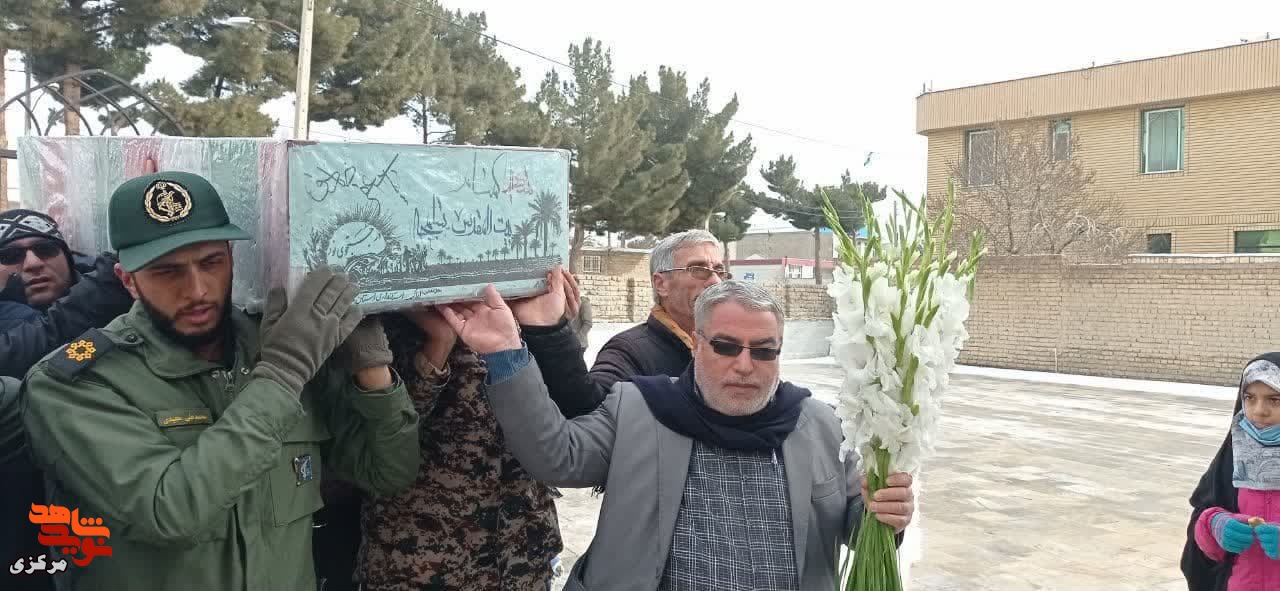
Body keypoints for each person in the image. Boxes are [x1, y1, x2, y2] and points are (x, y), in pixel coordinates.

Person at [20, 171, 421, 591]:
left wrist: (371, 368)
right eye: (167, 271)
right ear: (128, 281)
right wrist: (282, 374)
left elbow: (389, 472)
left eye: (211, 262)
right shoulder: (73, 384)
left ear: (231, 256)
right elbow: (169, 513)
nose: (197, 290)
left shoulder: (275, 342)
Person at [442, 280, 915, 590]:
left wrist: (886, 516)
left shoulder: (819, 424)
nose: (744, 365)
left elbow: (857, 525)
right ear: (696, 345)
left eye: (763, 351)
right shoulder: (640, 408)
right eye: (726, 347)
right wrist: (504, 349)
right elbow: (556, 457)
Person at [354, 268, 594, 590]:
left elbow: (566, 420)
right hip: (425, 558)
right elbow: (386, 437)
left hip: (521, 554)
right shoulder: (387, 311)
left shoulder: (525, 298)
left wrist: (554, 334)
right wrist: (438, 344)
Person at [526, 229, 728, 401]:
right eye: (699, 269)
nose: (715, 281)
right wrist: (550, 331)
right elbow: (590, 407)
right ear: (661, 284)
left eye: (719, 271)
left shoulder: (734, 344)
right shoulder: (629, 350)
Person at [1183, 353, 1280, 590]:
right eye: (1250, 397)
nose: (1259, 410)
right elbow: (1202, 516)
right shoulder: (1233, 456)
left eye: (1275, 400)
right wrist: (1214, 525)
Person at [0, 208, 134, 377]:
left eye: (45, 249)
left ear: (68, 258)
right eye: (11, 255)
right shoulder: (107, 286)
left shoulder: (125, 283)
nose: (33, 263)